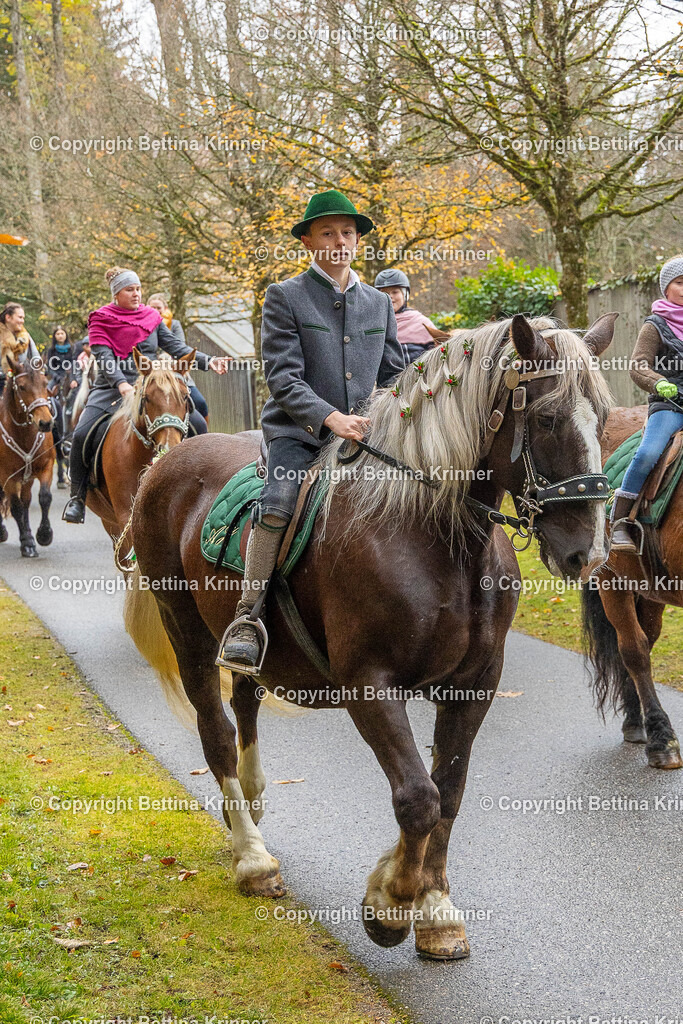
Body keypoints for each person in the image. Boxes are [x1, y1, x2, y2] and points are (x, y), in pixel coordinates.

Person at [217, 188, 405, 671]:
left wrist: (390, 417)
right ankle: (247, 616)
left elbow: (392, 377)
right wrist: (329, 418)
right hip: (298, 435)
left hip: (367, 435)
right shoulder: (284, 297)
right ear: (307, 241)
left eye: (347, 233)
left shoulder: (379, 305)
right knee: (278, 504)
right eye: (328, 233)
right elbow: (282, 377)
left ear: (357, 240)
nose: (340, 241)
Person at [62, 267, 229, 524]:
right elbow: (105, 359)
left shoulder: (152, 317)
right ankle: (77, 496)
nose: (137, 294)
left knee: (196, 423)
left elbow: (176, 347)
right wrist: (121, 384)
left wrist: (209, 361)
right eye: (130, 289)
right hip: (111, 387)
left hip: (152, 383)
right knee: (83, 432)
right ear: (116, 294)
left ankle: (210, 490)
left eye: (138, 288)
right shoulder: (100, 319)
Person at [611, 255, 683, 551]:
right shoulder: (655, 325)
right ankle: (620, 522)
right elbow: (637, 366)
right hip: (670, 406)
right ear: (666, 289)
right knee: (648, 453)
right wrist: (659, 383)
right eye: (681, 283)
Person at [148, 292, 211, 427]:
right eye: (152, 307)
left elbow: (179, 345)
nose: (155, 311)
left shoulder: (174, 325)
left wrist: (168, 357)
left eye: (158, 308)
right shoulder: (144, 324)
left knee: (200, 402)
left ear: (165, 308)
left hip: (176, 371)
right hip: (154, 372)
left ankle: (204, 432)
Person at [374, 268, 450, 364]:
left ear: (405, 295)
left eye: (395, 292)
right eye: (384, 293)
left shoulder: (422, 323)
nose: (389, 296)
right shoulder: (373, 324)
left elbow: (438, 359)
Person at [0, 303, 42, 393]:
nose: (22, 321)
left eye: (23, 318)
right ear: (8, 318)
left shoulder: (26, 337)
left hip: (24, 385)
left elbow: (36, 359)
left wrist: (31, 369)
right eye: (20, 317)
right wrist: (6, 374)